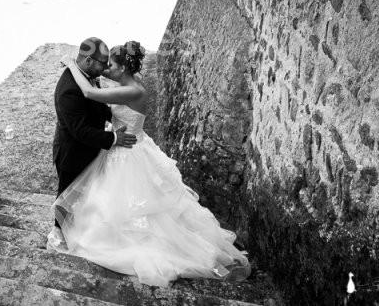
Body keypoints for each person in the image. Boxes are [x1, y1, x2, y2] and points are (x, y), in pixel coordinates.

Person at [52, 40, 251, 287]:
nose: (105, 70)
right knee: (109, 202)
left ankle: (166, 246)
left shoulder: (133, 90)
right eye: (103, 65)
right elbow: (96, 82)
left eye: (110, 66)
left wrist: (72, 64)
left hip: (128, 153)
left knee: (134, 206)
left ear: (122, 69)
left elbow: (91, 93)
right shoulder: (126, 81)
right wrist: (87, 69)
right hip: (123, 147)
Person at [49, 37, 138, 251]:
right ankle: (57, 235)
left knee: (84, 196)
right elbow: (80, 131)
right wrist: (114, 138)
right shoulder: (69, 89)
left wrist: (114, 115)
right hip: (73, 153)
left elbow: (96, 105)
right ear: (88, 61)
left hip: (89, 150)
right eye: (103, 63)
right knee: (66, 196)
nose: (106, 67)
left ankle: (79, 230)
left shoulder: (87, 74)